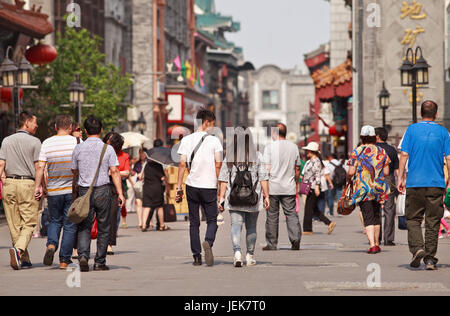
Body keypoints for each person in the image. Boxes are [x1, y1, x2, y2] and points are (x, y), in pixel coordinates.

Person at [397, 100, 450, 270]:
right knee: (433, 221)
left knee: (413, 218)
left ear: (421, 113)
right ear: (436, 114)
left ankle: (417, 248)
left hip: (414, 183)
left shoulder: (411, 130)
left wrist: (400, 177)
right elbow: (449, 158)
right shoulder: (443, 132)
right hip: (436, 183)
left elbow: (404, 154)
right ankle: (429, 259)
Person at [71, 116, 125, 272]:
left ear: (85, 131)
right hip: (103, 190)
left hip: (84, 191)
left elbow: (74, 170)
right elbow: (114, 171)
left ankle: (83, 256)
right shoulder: (107, 149)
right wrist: (120, 193)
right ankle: (100, 262)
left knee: (84, 226)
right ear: (101, 131)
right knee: (103, 226)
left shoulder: (78, 148)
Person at [176, 108, 223, 267]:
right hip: (209, 186)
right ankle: (208, 242)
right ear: (207, 122)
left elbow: (182, 164)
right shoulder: (214, 140)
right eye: (212, 125)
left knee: (194, 222)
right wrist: (220, 184)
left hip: (191, 186)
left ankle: (196, 256)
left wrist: (178, 187)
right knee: (212, 220)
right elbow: (218, 164)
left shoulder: (186, 140)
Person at [218, 127, 270, 267]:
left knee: (236, 226)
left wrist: (221, 197)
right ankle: (249, 256)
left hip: (234, 198)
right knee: (251, 227)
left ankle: (237, 254)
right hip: (253, 199)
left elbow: (223, 178)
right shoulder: (257, 155)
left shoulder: (230, 156)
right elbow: (264, 177)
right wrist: (266, 196)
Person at [35, 115, 78, 269]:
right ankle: (64, 260)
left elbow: (40, 167)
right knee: (69, 225)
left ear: (55, 126)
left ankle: (51, 244)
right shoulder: (76, 142)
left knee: (55, 220)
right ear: (71, 127)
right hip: (71, 191)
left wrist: (38, 187)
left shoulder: (47, 143)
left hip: (53, 191)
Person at [0, 111, 41, 270]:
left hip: (9, 183)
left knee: (13, 223)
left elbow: (1, 165)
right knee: (30, 222)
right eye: (35, 122)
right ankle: (18, 250)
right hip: (27, 184)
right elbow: (38, 167)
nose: (36, 125)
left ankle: (24, 259)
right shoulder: (35, 142)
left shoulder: (6, 141)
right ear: (27, 123)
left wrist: (3, 180)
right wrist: (39, 186)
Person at [348, 126, 390, 254]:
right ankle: (377, 243)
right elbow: (386, 172)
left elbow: (351, 172)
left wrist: (349, 178)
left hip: (363, 188)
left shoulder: (357, 151)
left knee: (368, 216)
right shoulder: (381, 151)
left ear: (362, 137)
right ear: (374, 137)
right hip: (378, 188)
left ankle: (372, 245)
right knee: (377, 215)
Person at [263, 123, 303, 250]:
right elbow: (297, 168)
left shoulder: (269, 147)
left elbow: (266, 169)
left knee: (272, 216)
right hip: (289, 186)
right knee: (291, 214)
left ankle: (272, 243)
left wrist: (264, 190)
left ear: (274, 133)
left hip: (273, 187)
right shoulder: (294, 147)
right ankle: (295, 239)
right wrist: (296, 182)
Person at [103, 132, 130, 255]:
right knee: (101, 216)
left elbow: (127, 172)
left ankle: (109, 244)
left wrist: (113, 172)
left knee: (113, 216)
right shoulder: (102, 152)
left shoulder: (124, 155)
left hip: (116, 187)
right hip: (102, 185)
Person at [301, 142, 336, 236]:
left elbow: (317, 174)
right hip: (309, 186)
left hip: (313, 186)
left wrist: (317, 186)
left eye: (308, 150)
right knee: (314, 208)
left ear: (312, 151)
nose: (306, 152)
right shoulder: (310, 161)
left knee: (308, 208)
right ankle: (329, 222)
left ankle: (307, 229)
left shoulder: (316, 161)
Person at [375, 127, 399, 246]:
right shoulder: (392, 150)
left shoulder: (372, 149)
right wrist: (400, 182)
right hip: (389, 179)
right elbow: (397, 169)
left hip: (375, 180)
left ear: (377, 136)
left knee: (376, 209)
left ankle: (376, 237)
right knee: (389, 209)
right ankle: (388, 239)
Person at [142, 139, 169, 232]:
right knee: (159, 207)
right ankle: (161, 225)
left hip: (147, 188)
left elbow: (143, 176)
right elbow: (162, 178)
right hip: (157, 188)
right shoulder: (158, 166)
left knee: (147, 206)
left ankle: (143, 225)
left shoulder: (147, 165)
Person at [133, 148, 147, 229]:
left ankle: (149, 221)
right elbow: (133, 173)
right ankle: (140, 222)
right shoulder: (137, 164)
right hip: (138, 186)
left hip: (147, 185)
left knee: (147, 204)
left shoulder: (149, 163)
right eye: (140, 153)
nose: (141, 155)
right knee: (138, 203)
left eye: (143, 153)